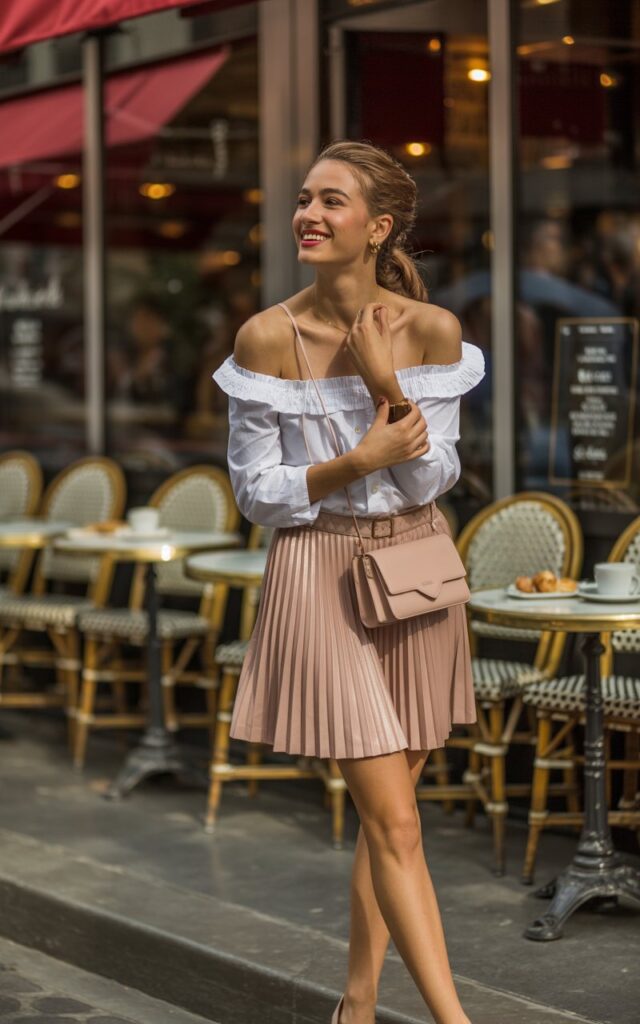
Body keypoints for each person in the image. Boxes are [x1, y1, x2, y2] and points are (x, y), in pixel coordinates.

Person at [212, 140, 484, 1024]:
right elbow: (257, 496)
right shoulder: (266, 335)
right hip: (318, 573)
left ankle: (357, 1006)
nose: (310, 215)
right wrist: (352, 459)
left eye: (332, 202)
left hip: (413, 567)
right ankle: (455, 1020)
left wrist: (383, 387)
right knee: (398, 823)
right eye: (304, 198)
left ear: (380, 226)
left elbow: (427, 480)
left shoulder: (432, 329)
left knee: (388, 816)